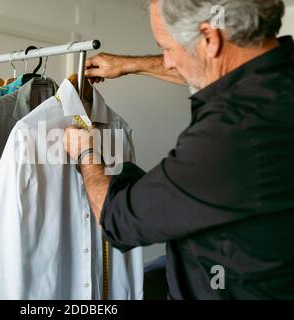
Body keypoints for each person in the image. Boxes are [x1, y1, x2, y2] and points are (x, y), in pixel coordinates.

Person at [64, 0, 294, 300]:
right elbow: (212, 66)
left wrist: (88, 153)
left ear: (210, 38)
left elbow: (118, 219)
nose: (168, 61)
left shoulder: (233, 133)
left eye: (167, 47)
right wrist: (131, 65)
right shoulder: (277, 74)